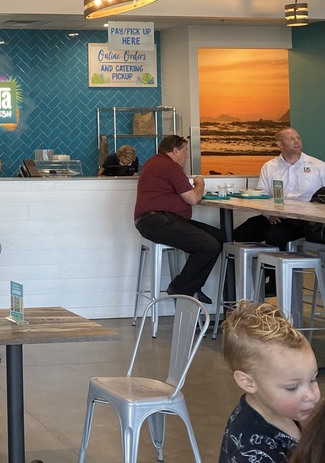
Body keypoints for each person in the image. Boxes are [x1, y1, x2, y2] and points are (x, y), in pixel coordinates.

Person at [220, 300, 320, 463]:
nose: (312, 395)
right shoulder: (252, 451)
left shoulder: (281, 409)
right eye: (292, 387)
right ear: (248, 382)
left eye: (313, 379)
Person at [134, 135, 223, 303]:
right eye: (185, 151)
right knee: (209, 245)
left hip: (155, 221)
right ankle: (180, 288)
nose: (187, 155)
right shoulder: (170, 166)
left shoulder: (154, 162)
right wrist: (200, 183)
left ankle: (193, 286)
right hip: (158, 220)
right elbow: (193, 198)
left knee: (220, 237)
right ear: (175, 150)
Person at [234, 127, 325, 250]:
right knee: (241, 233)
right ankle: (258, 262)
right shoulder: (269, 166)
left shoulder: (318, 166)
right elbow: (262, 194)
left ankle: (277, 262)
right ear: (280, 145)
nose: (297, 142)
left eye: (298, 138)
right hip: (276, 215)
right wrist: (269, 214)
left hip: (305, 220)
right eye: (291, 139)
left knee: (274, 234)